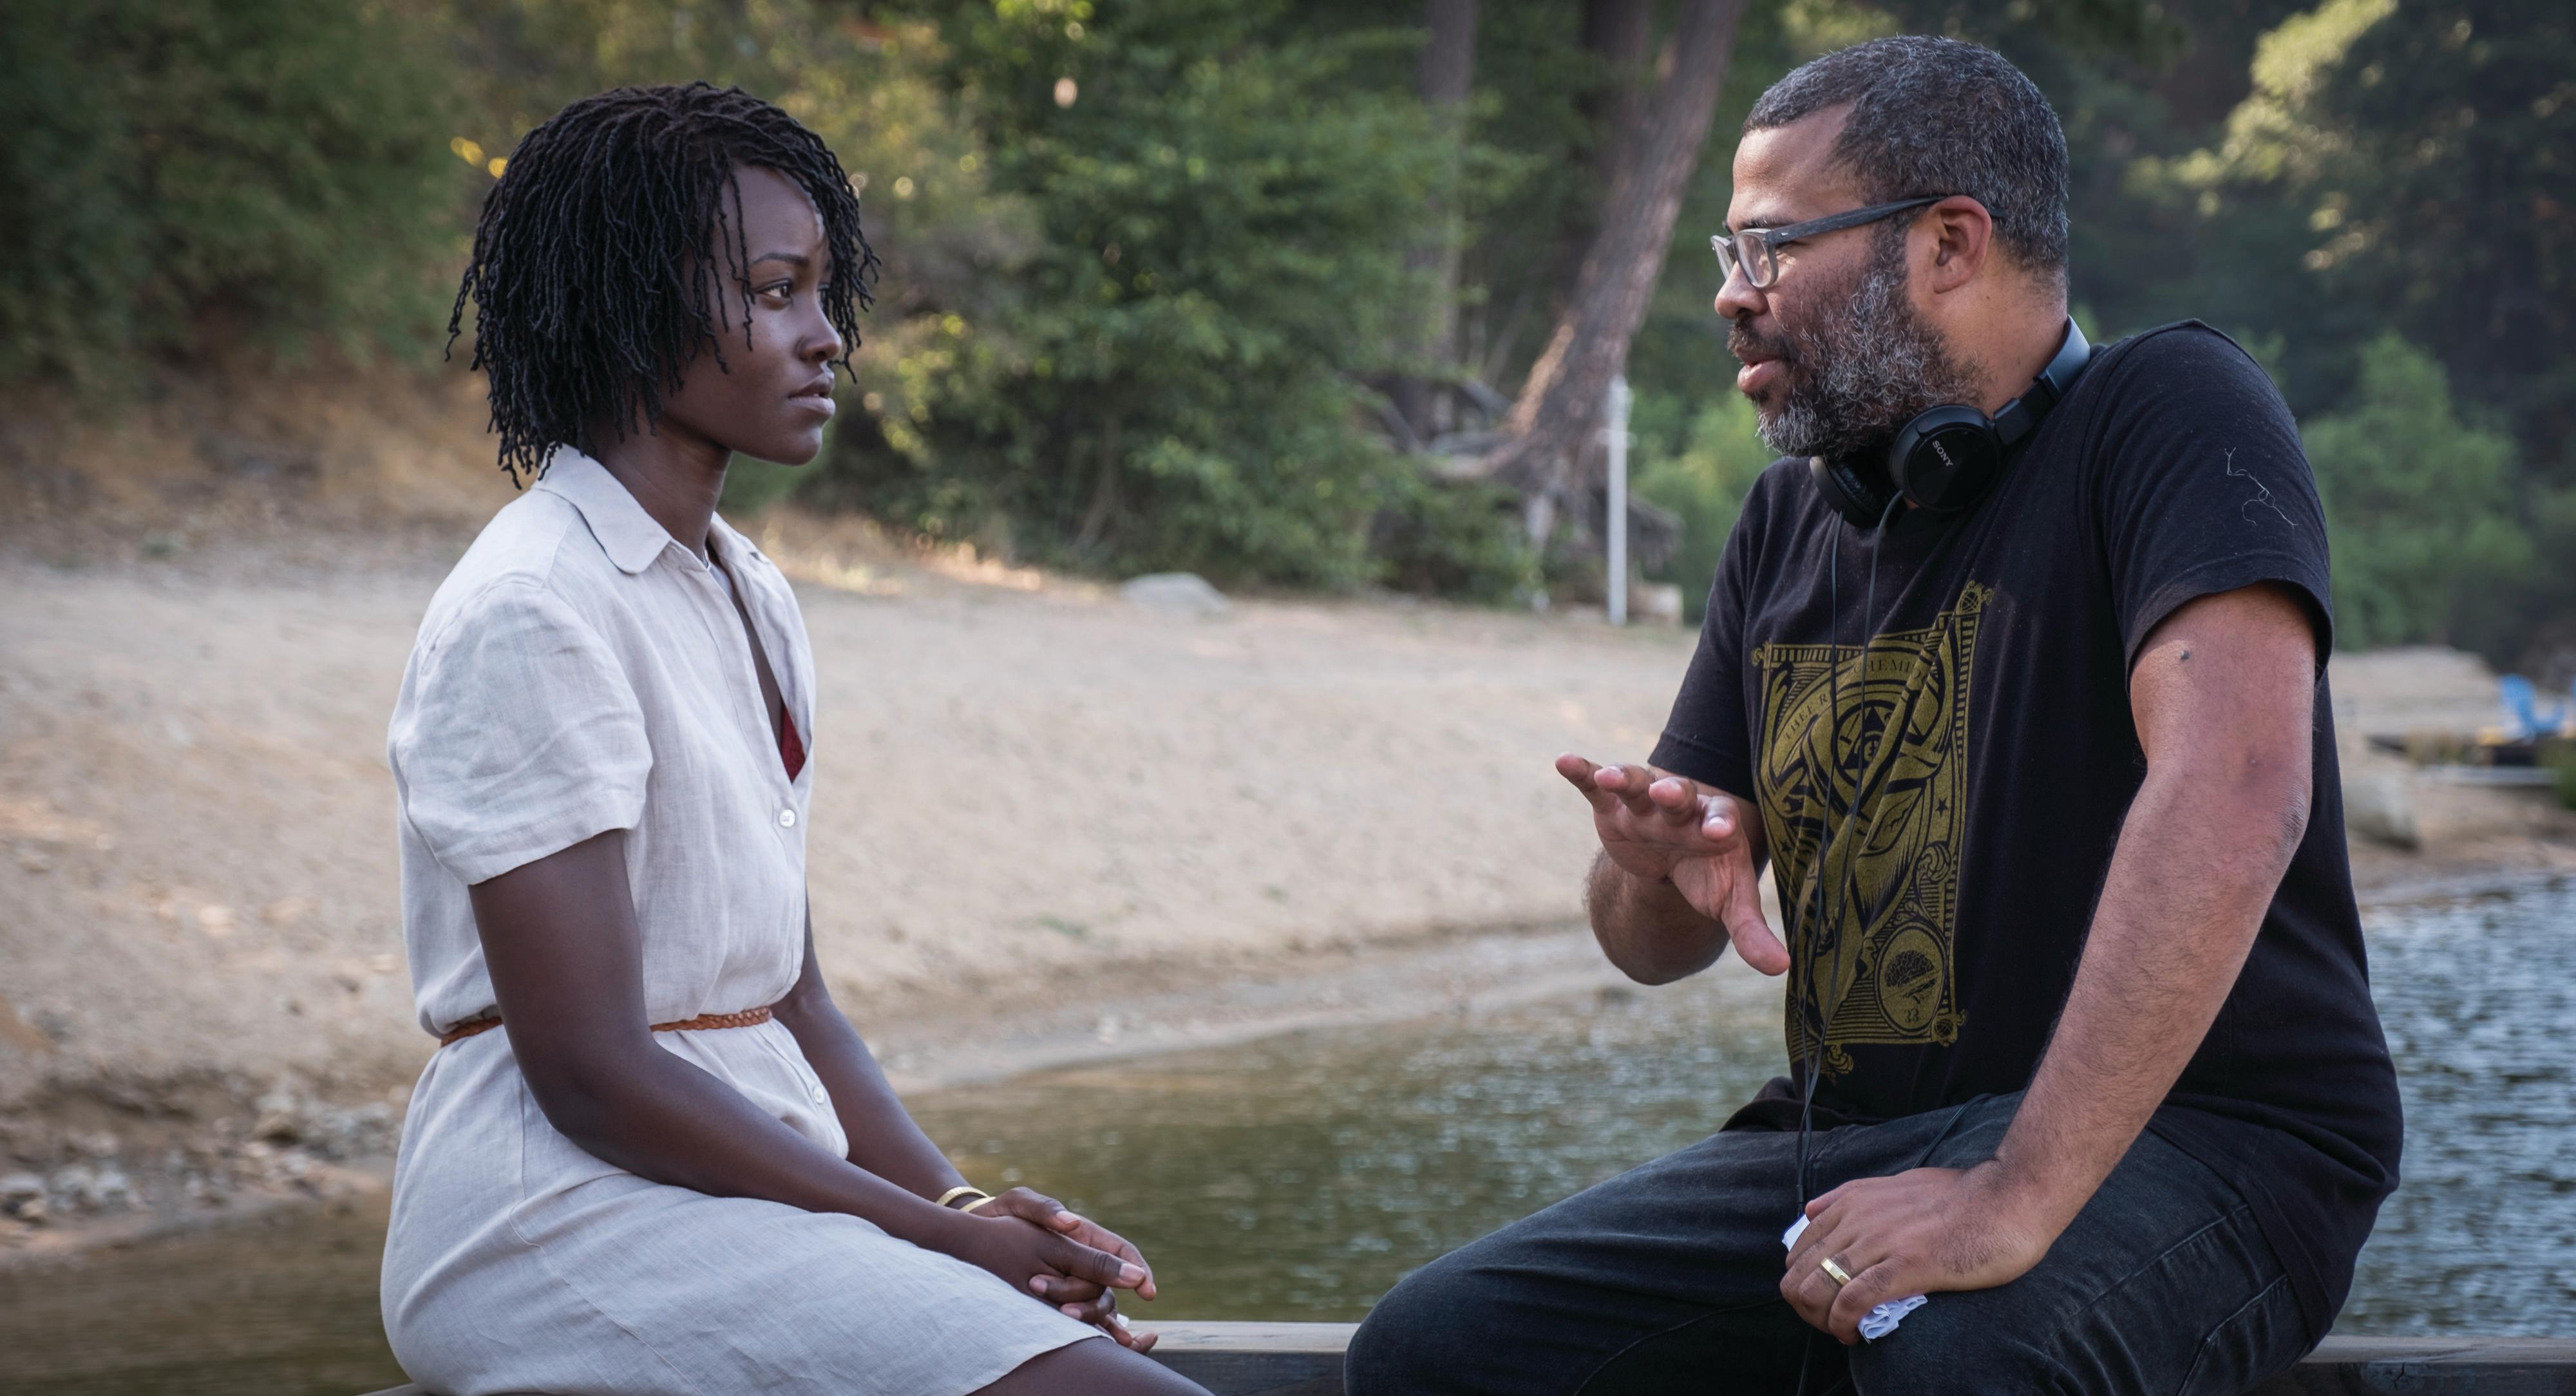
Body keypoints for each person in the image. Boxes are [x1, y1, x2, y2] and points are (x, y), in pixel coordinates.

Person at [1348, 36, 2400, 1396]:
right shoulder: (1787, 517)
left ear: (1948, 245)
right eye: (1725, 259)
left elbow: (2237, 791)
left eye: (1769, 251)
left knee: (1950, 1360)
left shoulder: (2173, 411)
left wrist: (2007, 1192)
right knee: (1431, 1352)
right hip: (1852, 1147)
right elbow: (1650, 944)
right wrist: (1650, 868)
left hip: (2212, 1142)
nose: (1733, 301)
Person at [378, 83, 1206, 1396]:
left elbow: (793, 1001)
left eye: (826, 293)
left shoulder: (745, 588)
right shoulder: (534, 606)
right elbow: (592, 1070)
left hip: (740, 1191)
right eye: (778, 291)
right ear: (631, 306)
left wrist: (966, 1203)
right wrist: (936, 1242)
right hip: (557, 1218)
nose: (827, 338)